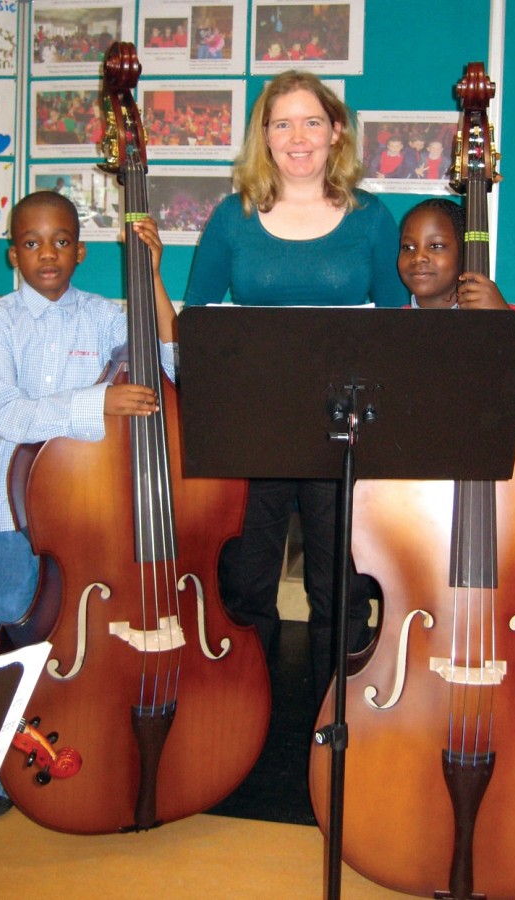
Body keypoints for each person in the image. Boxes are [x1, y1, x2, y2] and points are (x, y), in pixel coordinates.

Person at [182, 70, 408, 703]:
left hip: (342, 432)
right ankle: (244, 711)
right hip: (254, 431)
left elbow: (396, 327)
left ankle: (336, 719)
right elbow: (196, 319)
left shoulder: (371, 218)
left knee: (341, 588)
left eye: (312, 121)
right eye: (282, 124)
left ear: (337, 132)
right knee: (247, 583)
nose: (297, 137)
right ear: (265, 136)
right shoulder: (233, 217)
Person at [0, 190, 176, 814]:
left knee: (71, 648)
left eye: (61, 241)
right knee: (7, 640)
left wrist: (154, 279)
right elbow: (8, 418)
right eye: (31, 243)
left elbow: (167, 363)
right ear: (13, 253)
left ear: (82, 251)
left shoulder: (106, 316)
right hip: (10, 516)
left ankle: (70, 746)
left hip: (84, 514)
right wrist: (97, 404)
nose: (47, 254)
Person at [397, 197, 515, 421]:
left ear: (464, 254)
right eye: (408, 247)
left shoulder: (511, 322)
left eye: (436, 246)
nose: (418, 257)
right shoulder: (388, 328)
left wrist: (505, 325)